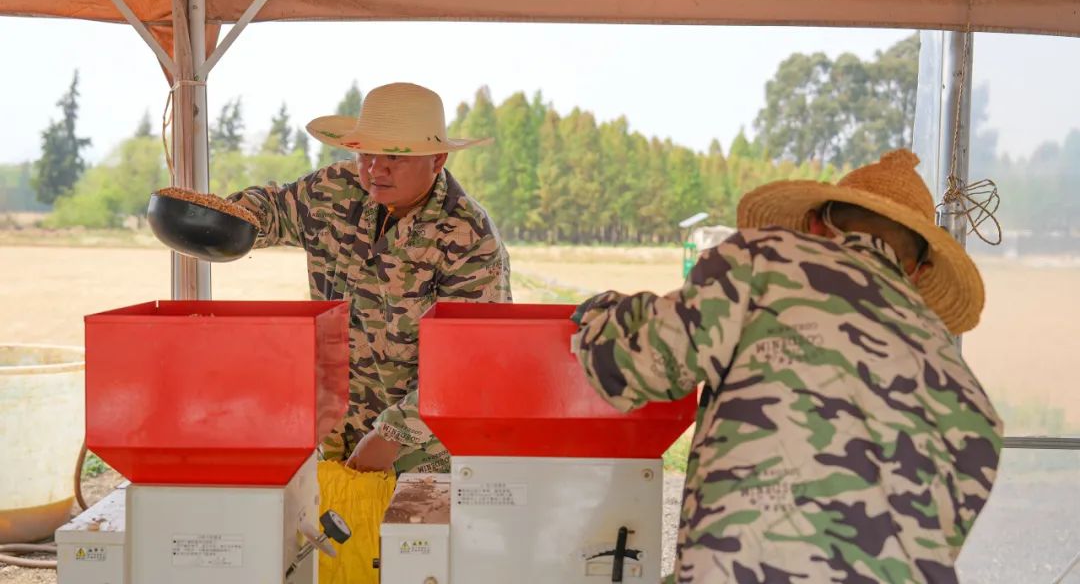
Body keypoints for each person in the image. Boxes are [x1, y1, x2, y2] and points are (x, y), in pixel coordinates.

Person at [570, 150, 1002, 583]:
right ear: (920, 271)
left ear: (816, 226)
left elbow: (634, 368)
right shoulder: (971, 405)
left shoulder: (761, 264)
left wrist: (602, 316)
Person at [229, 82, 512, 474]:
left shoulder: (467, 236)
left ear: (438, 159)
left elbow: (473, 361)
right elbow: (273, 208)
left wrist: (393, 436)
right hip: (334, 432)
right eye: (366, 153)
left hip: (423, 452)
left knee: (410, 536)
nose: (375, 168)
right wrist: (228, 218)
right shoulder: (334, 191)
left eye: (395, 156)